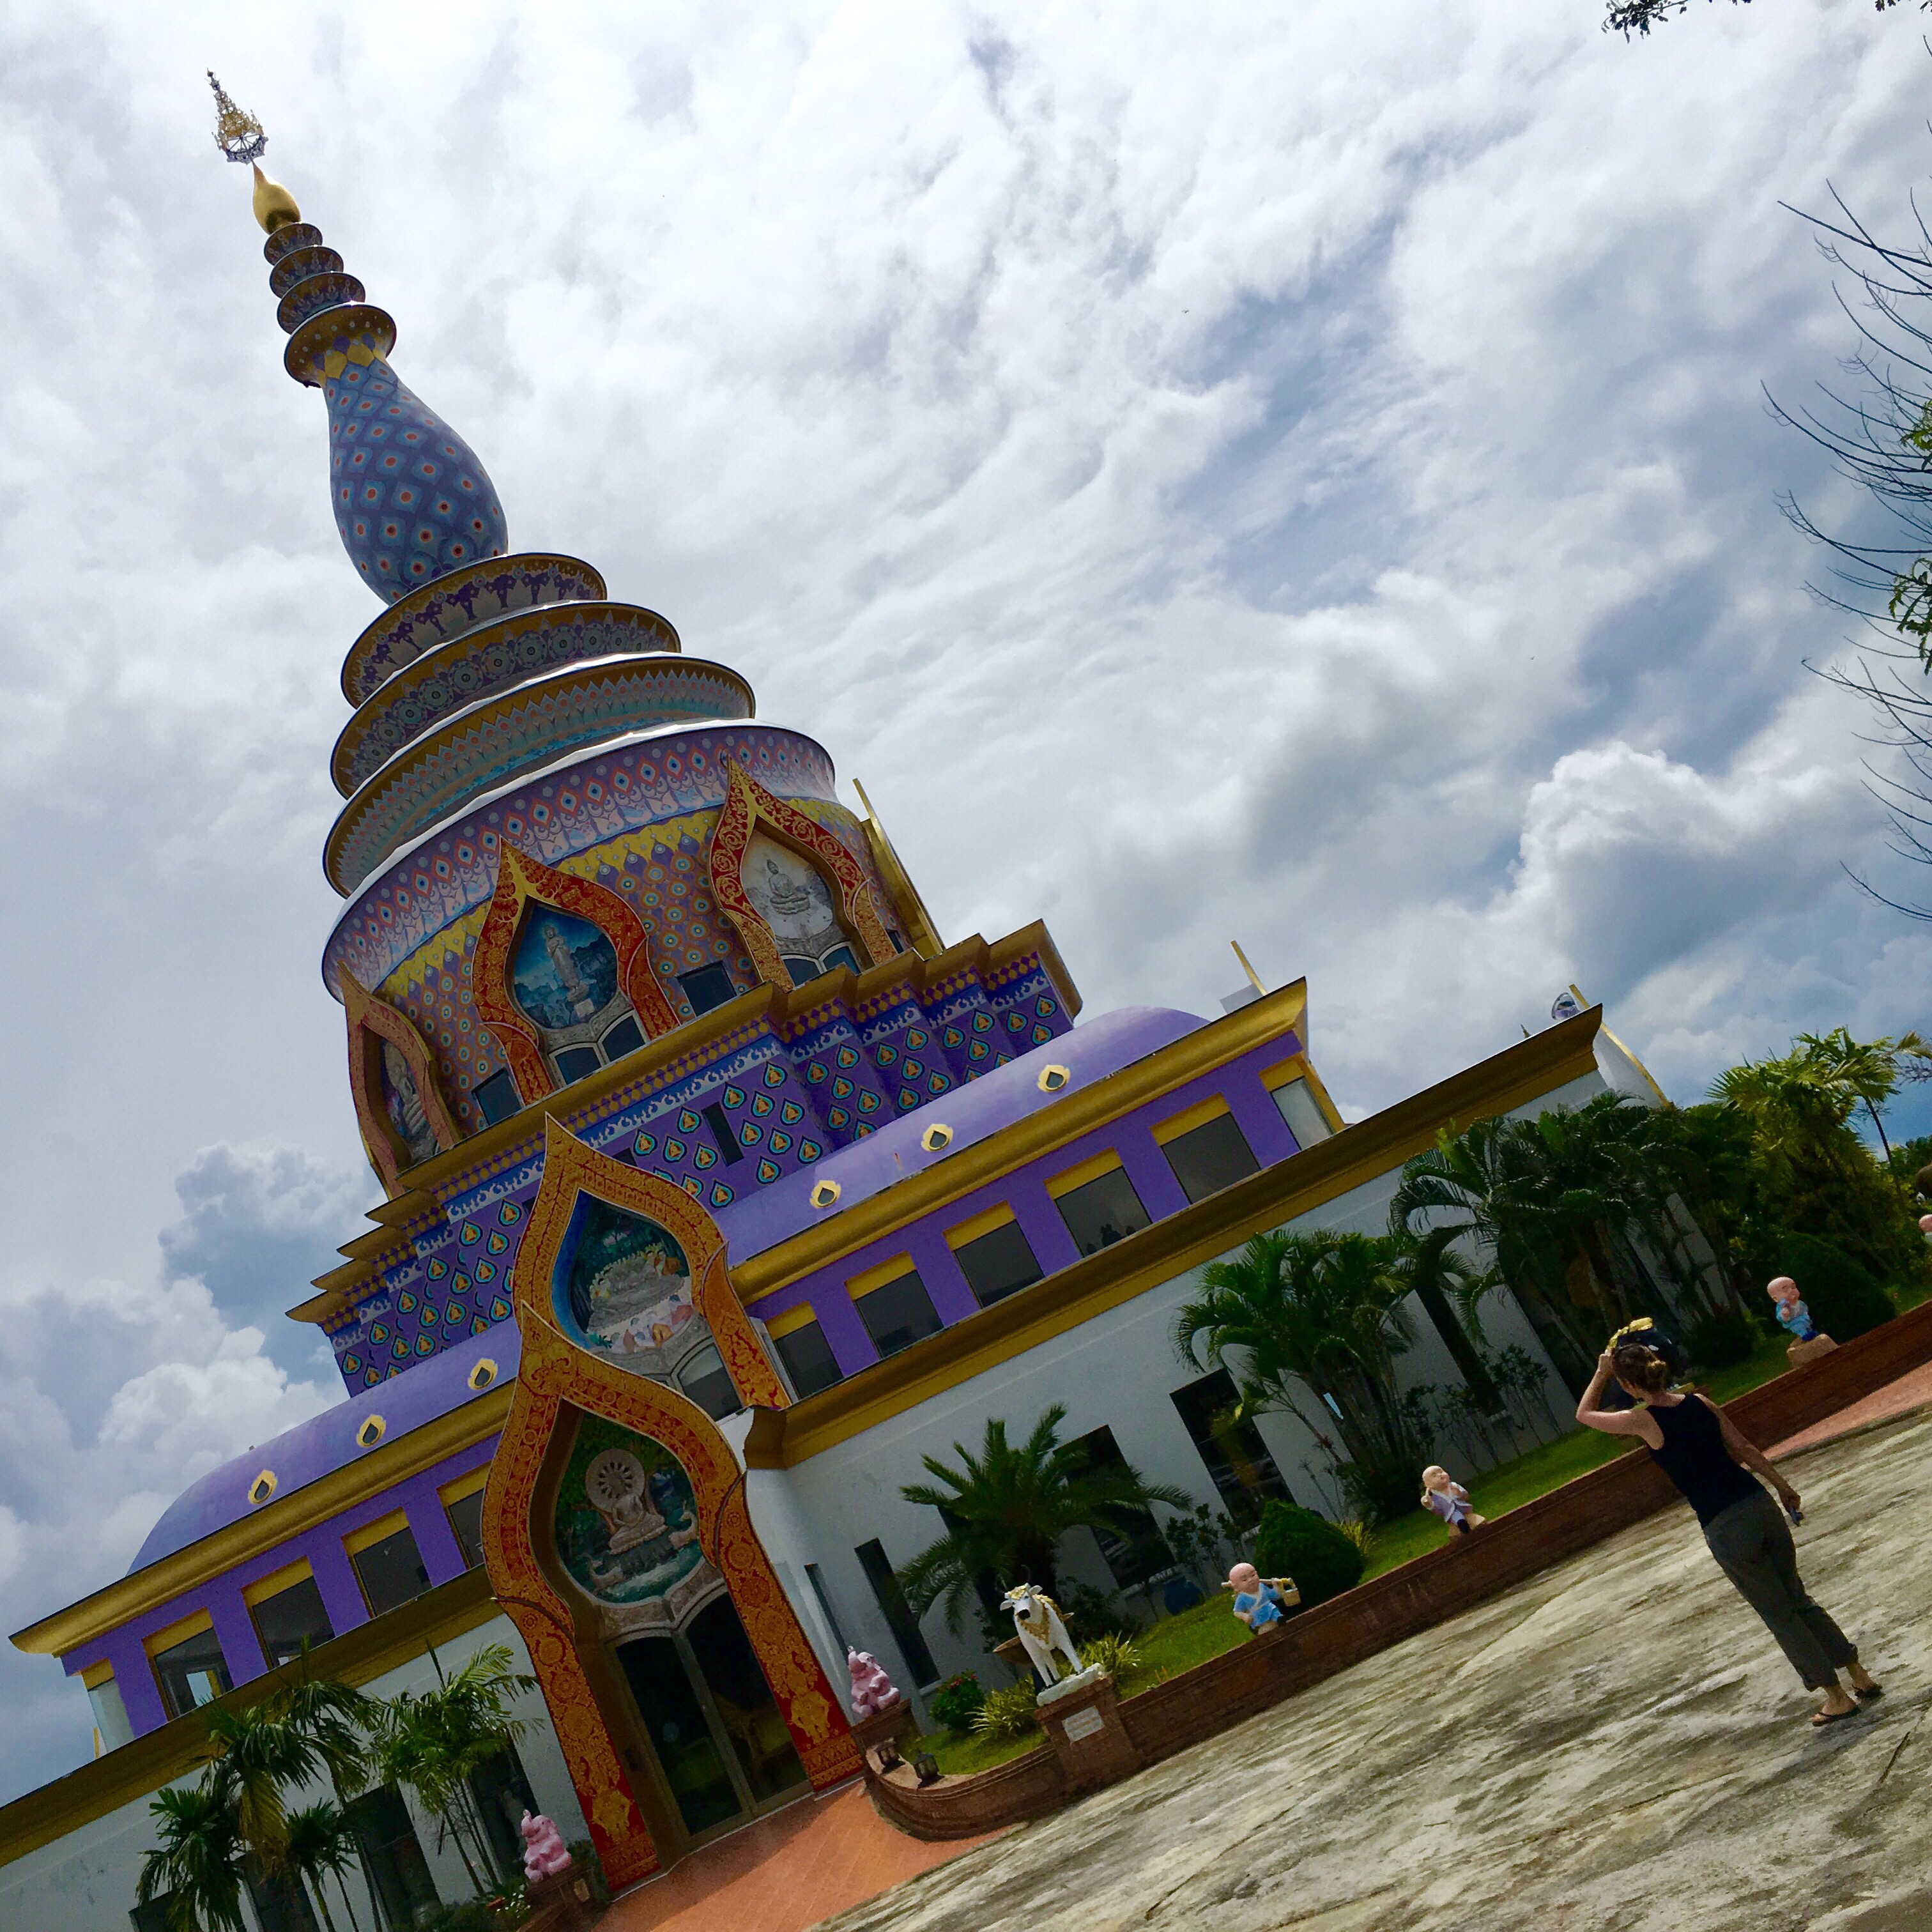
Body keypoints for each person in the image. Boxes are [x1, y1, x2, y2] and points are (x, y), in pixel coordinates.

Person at [1577, 1340, 1881, 1728]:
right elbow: (1744, 1447)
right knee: (1799, 1599)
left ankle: (1836, 1698)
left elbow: (1584, 1414)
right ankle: (1860, 1675)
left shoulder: (1641, 1421)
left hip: (1725, 1525)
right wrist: (1782, 1486)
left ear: (1629, 1385)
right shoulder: (1700, 1403)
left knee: (1780, 1614)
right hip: (1759, 1504)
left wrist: (1601, 1372)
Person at [1225, 1561, 1298, 1632]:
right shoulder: (1242, 1598)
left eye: (1253, 1575)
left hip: (1270, 1609)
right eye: (1245, 1580)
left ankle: (1279, 1619)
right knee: (1267, 1629)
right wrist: (1244, 1616)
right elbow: (1237, 1612)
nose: (1250, 1580)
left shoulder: (1262, 1587)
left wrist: (1276, 1586)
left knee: (1275, 1613)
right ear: (1237, 1587)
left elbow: (1275, 1596)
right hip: (1259, 1616)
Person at [1420, 1465, 1485, 1537]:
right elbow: (1438, 1511)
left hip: (1463, 1507)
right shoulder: (1434, 1496)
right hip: (1451, 1513)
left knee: (1472, 1518)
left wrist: (1459, 1493)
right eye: (1434, 1475)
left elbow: (1466, 1496)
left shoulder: (1453, 1486)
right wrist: (1430, 1505)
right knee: (1456, 1515)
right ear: (1429, 1484)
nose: (1440, 1475)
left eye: (1441, 1471)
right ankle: (1461, 1524)